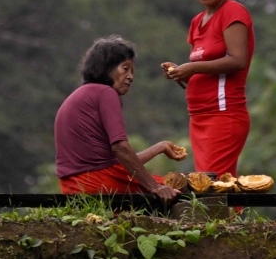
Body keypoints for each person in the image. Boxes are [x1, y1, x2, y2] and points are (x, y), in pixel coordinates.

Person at [162, 0, 255, 178]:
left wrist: (191, 68)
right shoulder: (197, 21)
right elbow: (203, 66)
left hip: (223, 114)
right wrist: (179, 72)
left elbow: (237, 60)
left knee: (213, 189)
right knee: (214, 187)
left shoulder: (233, 12)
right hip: (199, 115)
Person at [54, 35, 184, 199]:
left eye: (132, 71)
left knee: (171, 184)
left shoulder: (85, 93)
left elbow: (120, 162)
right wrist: (155, 187)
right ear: (106, 68)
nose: (131, 77)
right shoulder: (105, 92)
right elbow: (120, 148)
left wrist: (160, 147)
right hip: (98, 182)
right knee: (181, 189)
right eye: (125, 69)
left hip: (73, 186)